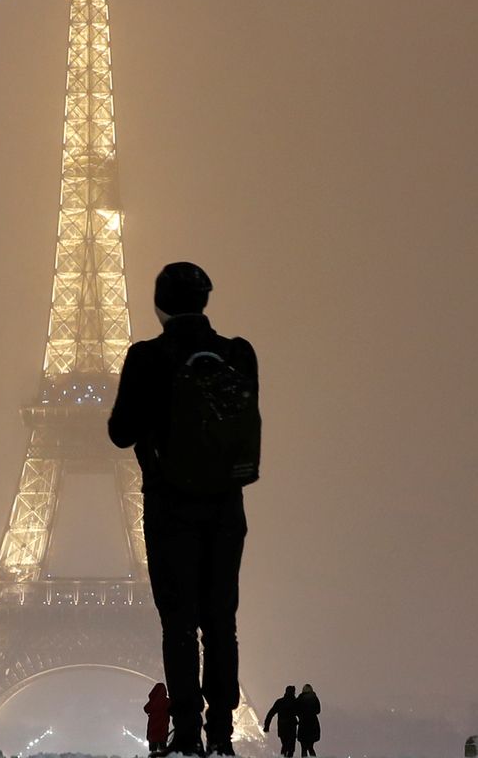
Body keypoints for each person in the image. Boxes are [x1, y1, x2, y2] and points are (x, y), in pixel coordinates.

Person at [109, 262, 260, 757]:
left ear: (160, 305)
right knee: (222, 623)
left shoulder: (148, 357)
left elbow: (120, 433)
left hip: (170, 507)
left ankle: (189, 734)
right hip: (225, 509)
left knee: (178, 626)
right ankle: (222, 733)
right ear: (205, 300)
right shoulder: (238, 354)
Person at [145, 683, 172, 758]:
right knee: (163, 747)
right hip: (163, 730)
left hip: (153, 730)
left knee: (153, 749)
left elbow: (146, 709)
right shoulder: (167, 702)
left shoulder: (153, 701)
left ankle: (153, 755)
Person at [295, 685, 321, 757]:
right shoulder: (314, 698)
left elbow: (296, 710)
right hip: (313, 724)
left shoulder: (300, 699)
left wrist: (301, 715)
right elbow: (318, 710)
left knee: (303, 747)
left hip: (303, 724)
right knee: (310, 746)